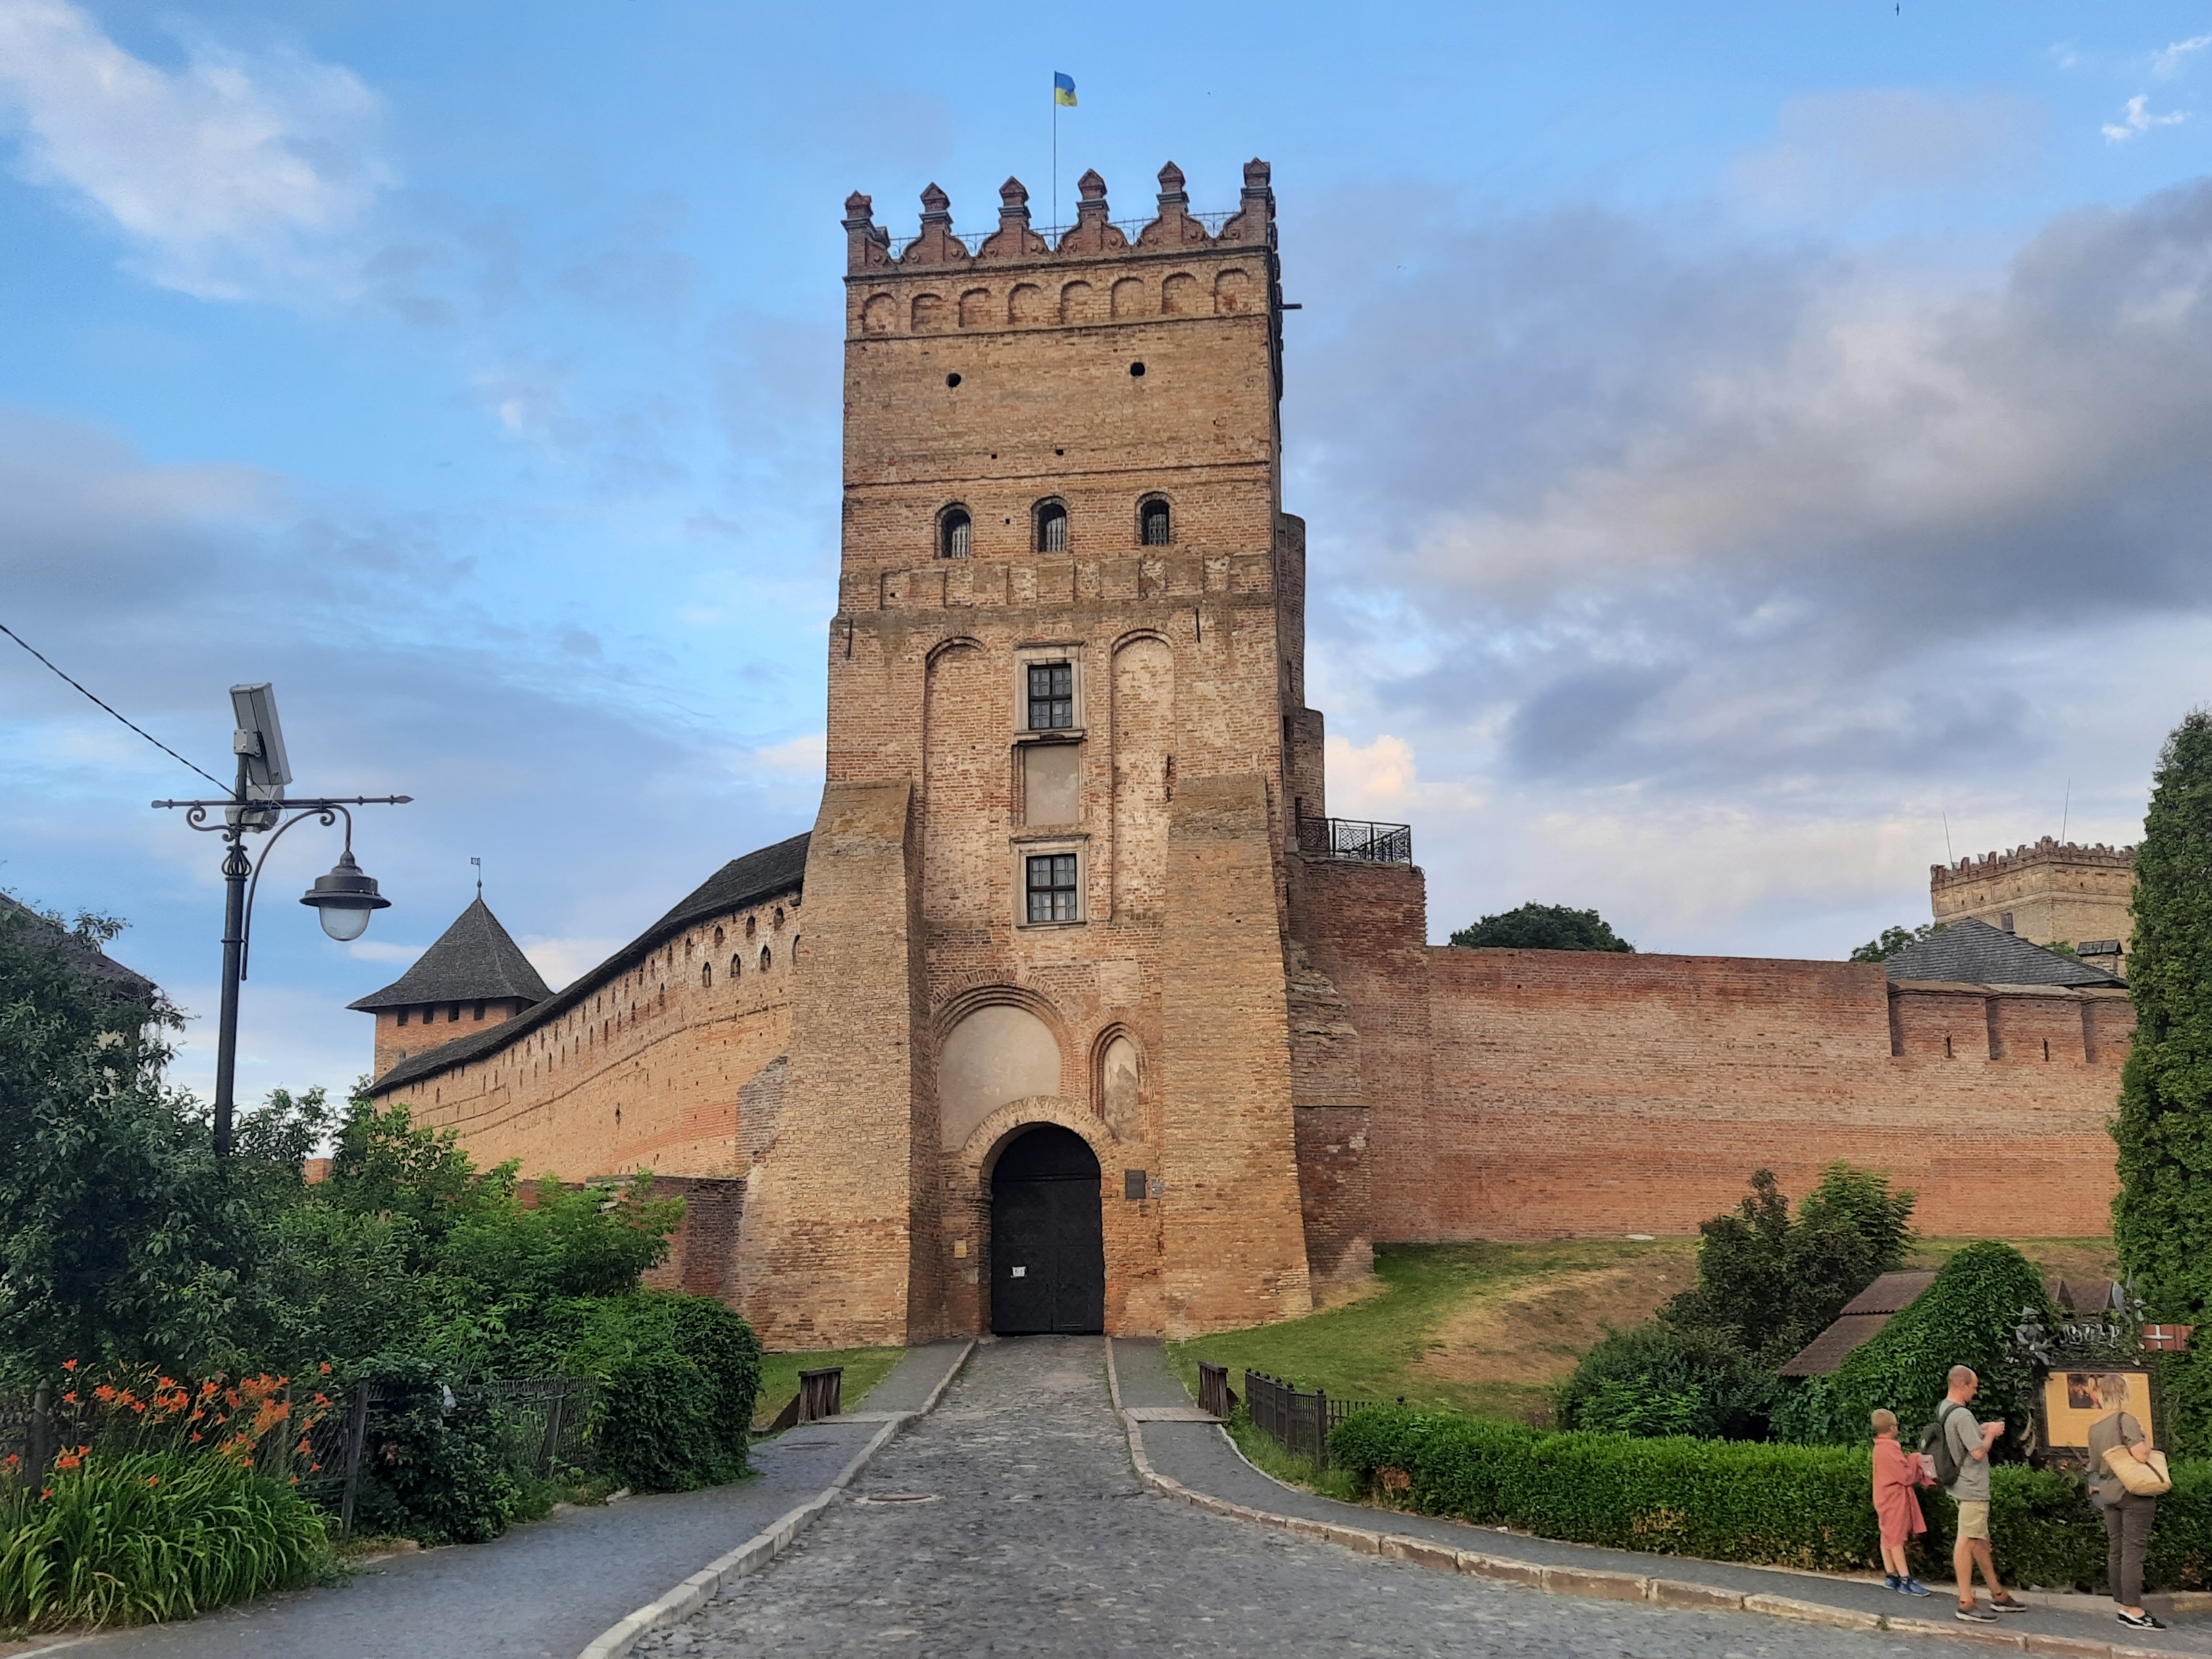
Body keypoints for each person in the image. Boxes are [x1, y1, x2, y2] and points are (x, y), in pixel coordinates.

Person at [1939, 1365, 2028, 1623]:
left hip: (1958, 1484)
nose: (1976, 1393)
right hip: (1973, 1487)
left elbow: (1960, 1438)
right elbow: (1978, 1452)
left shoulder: (1946, 1408)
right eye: (1974, 1387)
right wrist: (1990, 1434)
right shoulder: (1963, 1415)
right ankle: (1966, 1602)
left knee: (1980, 1542)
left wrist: (1980, 1428)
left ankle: (1998, 1594)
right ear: (1963, 1385)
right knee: (1967, 1541)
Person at [2087, 1372, 2166, 1631]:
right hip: (2133, 1492)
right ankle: (2134, 1609)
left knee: (2116, 1550)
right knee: (2134, 1551)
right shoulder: (2126, 1420)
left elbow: (2096, 1465)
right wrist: (2146, 1437)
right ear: (2123, 1393)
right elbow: (2142, 1455)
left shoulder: (2096, 1427)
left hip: (2109, 1494)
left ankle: (2122, 1605)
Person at [1871, 1409, 1935, 1595]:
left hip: (1883, 1497)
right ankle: (1906, 1579)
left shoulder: (1879, 1448)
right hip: (1894, 1499)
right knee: (1897, 1538)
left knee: (1887, 1535)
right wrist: (1915, 1460)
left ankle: (1891, 1576)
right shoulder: (1889, 1449)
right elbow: (1905, 1476)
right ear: (1892, 1428)